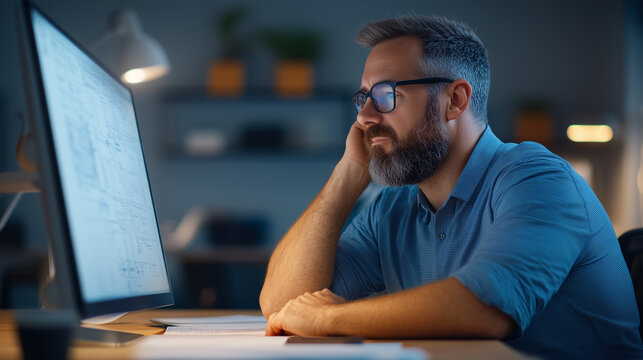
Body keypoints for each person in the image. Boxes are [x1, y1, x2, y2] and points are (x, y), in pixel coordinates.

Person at [259, 15, 643, 359]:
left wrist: (328, 318)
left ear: (455, 100)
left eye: (386, 95)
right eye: (364, 97)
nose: (363, 117)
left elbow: (485, 309)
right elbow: (285, 304)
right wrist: (347, 173)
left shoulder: (538, 180)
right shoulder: (390, 209)